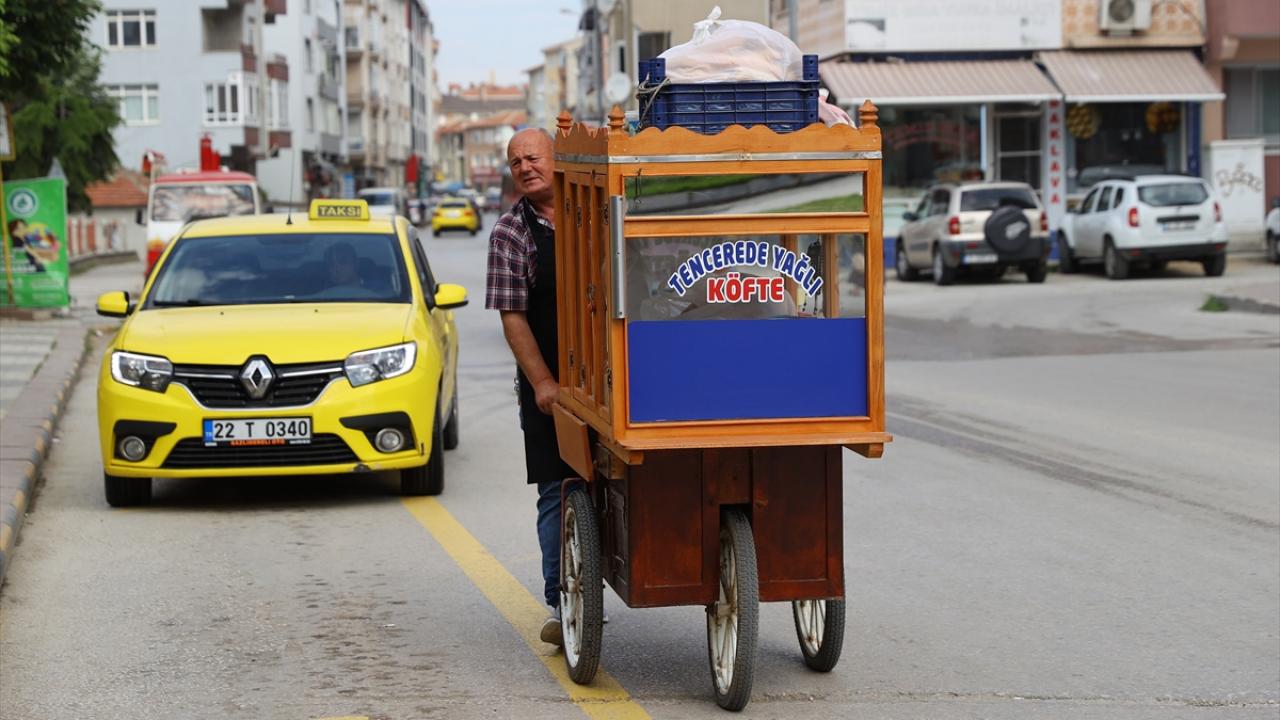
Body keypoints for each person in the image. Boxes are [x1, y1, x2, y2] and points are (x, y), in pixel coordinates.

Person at [485, 128, 574, 646]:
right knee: (557, 490)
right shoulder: (510, 232)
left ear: (557, 159)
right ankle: (563, 605)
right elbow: (513, 316)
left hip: (610, 378)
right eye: (516, 161)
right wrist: (542, 382)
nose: (525, 167)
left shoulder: (596, 207)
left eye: (533, 157)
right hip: (550, 383)